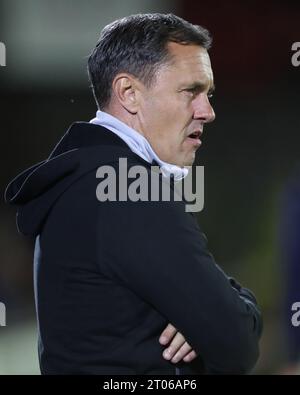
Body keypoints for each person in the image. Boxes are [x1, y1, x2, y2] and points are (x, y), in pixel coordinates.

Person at [5, 13, 262, 375]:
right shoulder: (130, 190)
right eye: (191, 91)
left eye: (209, 94)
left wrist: (206, 314)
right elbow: (237, 343)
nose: (208, 111)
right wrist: (234, 306)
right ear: (129, 93)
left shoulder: (85, 178)